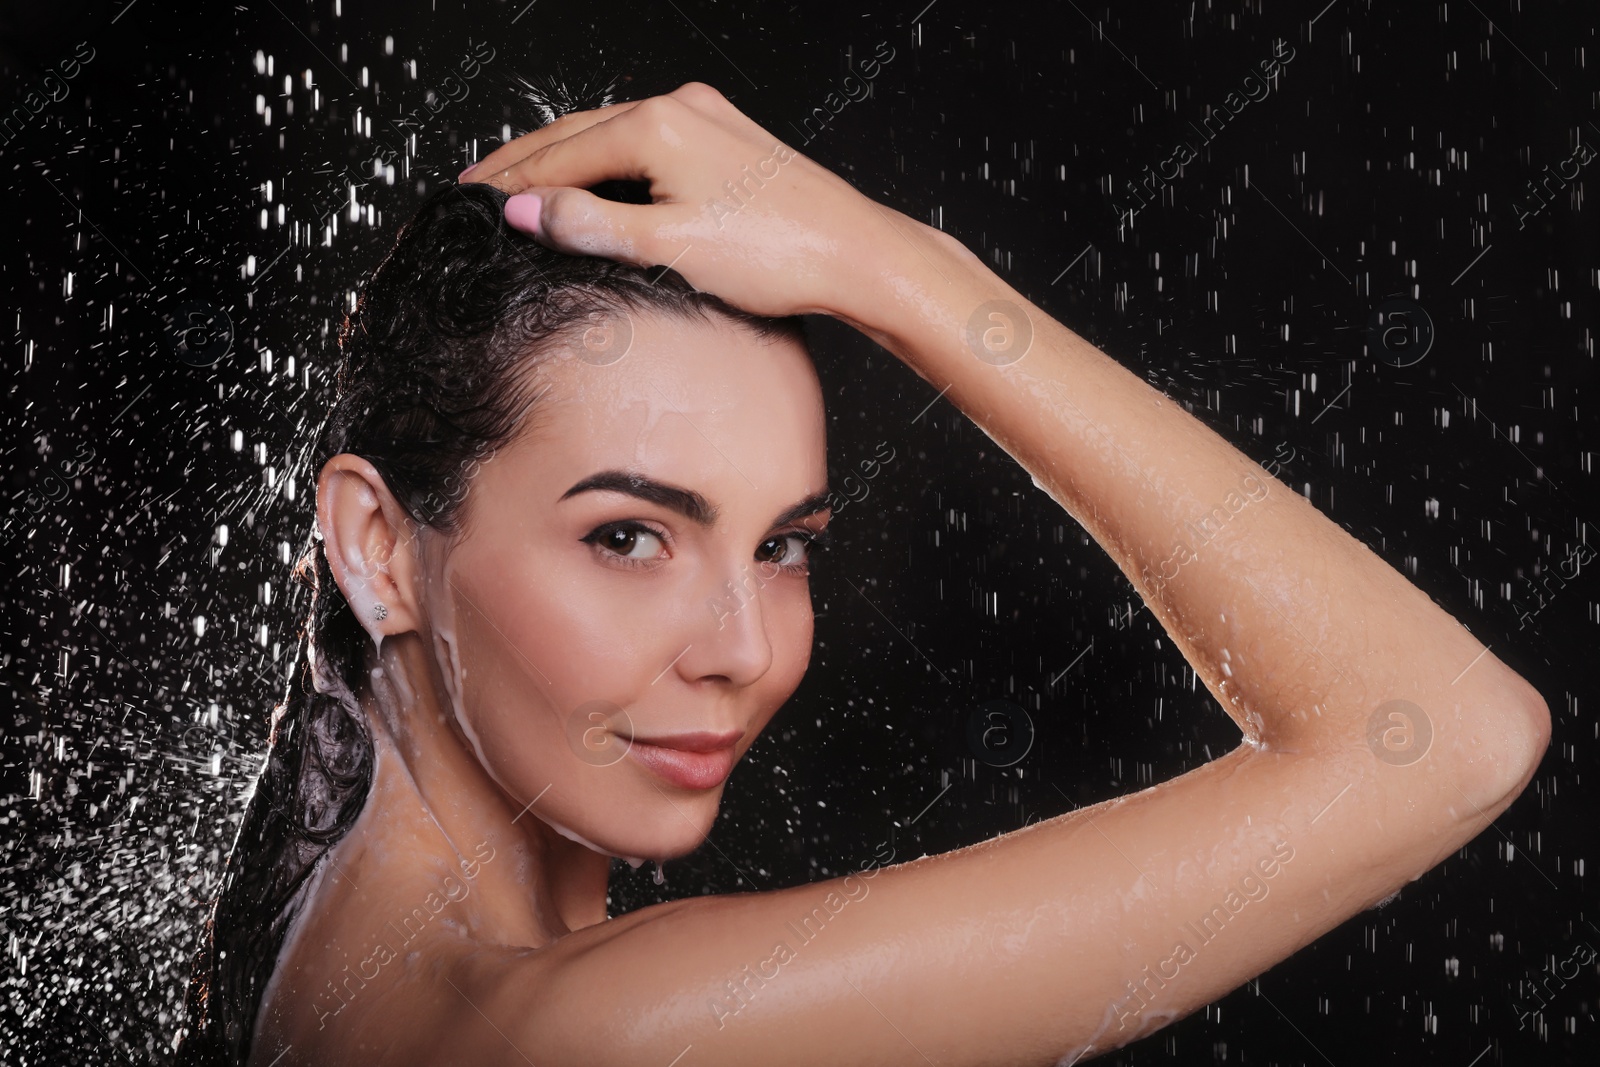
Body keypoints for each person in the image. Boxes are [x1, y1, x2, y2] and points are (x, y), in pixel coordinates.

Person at [178, 83, 1550, 1066]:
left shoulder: (311, 924)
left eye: (780, 545)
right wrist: (894, 264)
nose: (742, 649)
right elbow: (1441, 738)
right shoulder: (596, 1033)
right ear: (375, 547)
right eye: (627, 536)